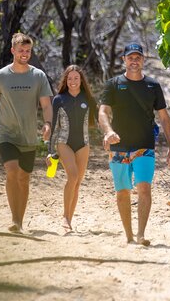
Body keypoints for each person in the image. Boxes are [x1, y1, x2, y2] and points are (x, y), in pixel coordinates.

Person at [98, 42, 170, 245]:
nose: (134, 61)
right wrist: (108, 132)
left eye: (138, 57)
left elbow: (164, 116)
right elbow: (102, 112)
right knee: (123, 191)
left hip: (145, 146)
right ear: (124, 60)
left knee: (144, 188)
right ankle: (128, 235)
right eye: (130, 57)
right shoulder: (114, 84)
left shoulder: (153, 86)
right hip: (118, 147)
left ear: (143, 60)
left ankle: (141, 233)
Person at [0, 33, 53, 232]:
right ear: (13, 51)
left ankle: (20, 218)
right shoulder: (0, 76)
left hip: (28, 136)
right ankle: (15, 220)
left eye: (27, 51)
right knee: (12, 172)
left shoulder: (38, 76)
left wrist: (48, 124)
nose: (25, 54)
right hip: (6, 134)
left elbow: (46, 104)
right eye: (21, 50)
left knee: (24, 178)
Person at [46, 65, 98, 231]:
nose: (73, 81)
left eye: (76, 78)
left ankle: (69, 218)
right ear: (65, 80)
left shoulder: (88, 99)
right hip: (64, 142)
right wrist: (49, 151)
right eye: (70, 78)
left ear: (81, 80)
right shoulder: (59, 99)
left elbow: (99, 119)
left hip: (83, 144)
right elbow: (54, 127)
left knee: (77, 183)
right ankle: (65, 217)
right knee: (73, 176)